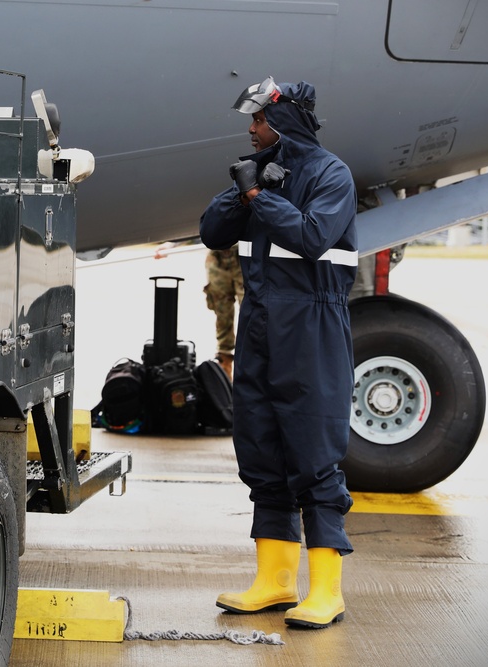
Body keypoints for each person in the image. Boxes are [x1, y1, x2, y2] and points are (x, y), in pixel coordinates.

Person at [199, 76, 358, 629]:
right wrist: (243, 184)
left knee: (313, 452)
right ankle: (275, 581)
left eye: (259, 121)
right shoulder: (264, 170)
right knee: (261, 446)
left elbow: (314, 238)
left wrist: (258, 196)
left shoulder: (330, 174)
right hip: (262, 319)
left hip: (312, 321)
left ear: (283, 121)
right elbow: (211, 231)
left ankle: (327, 591)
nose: (251, 128)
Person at [152, 243, 243, 381]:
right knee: (222, 314)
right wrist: (173, 244)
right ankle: (225, 367)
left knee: (254, 314)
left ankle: (258, 365)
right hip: (217, 255)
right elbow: (196, 222)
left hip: (245, 253)